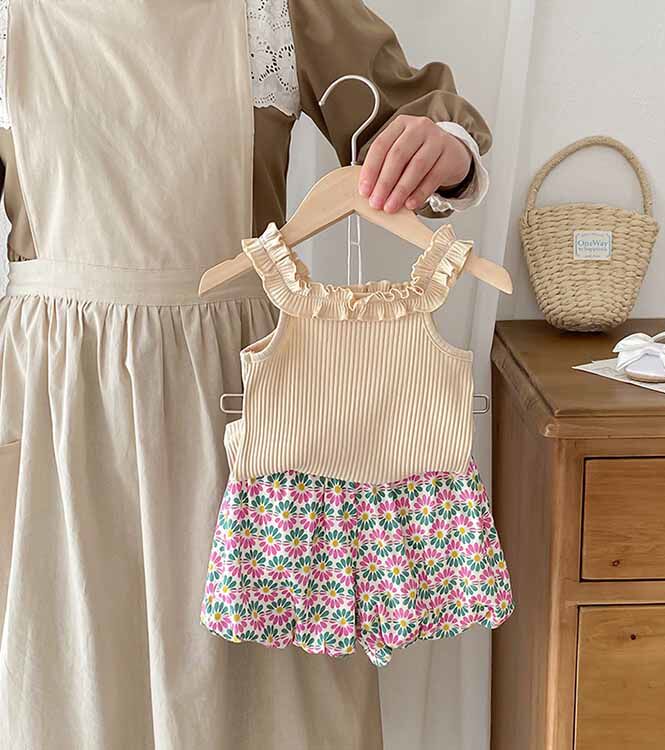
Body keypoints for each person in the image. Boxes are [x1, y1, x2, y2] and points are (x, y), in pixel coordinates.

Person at [0, 1, 492, 748]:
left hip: (248, 389)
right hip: (62, 397)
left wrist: (440, 146)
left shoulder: (277, 6)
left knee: (271, 701)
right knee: (73, 673)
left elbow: (404, 111)